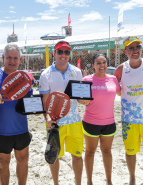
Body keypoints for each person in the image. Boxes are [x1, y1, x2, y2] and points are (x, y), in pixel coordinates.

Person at [0, 44, 33, 185]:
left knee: (23, 161)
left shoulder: (25, 78)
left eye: (15, 58)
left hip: (21, 128)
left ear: (20, 59)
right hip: (0, 130)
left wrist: (37, 110)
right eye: (9, 57)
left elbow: (31, 102)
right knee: (3, 163)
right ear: (3, 58)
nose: (12, 61)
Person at [39, 41, 89, 185]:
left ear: (69, 55)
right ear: (54, 54)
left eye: (66, 52)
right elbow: (45, 101)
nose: (63, 55)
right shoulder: (46, 74)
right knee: (54, 156)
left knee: (77, 156)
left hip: (74, 121)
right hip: (55, 123)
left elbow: (79, 97)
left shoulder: (77, 72)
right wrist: (47, 118)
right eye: (60, 52)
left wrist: (85, 102)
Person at [114, 36, 143, 185]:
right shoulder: (121, 69)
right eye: (131, 48)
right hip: (129, 119)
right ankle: (132, 178)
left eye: (138, 47)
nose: (135, 51)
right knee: (130, 152)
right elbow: (115, 89)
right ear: (125, 51)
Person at [82, 54, 121, 185]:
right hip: (90, 122)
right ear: (93, 65)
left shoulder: (113, 79)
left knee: (107, 151)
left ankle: (109, 181)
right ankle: (89, 181)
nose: (101, 65)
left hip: (109, 123)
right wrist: (82, 100)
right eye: (98, 63)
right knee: (90, 152)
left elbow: (123, 93)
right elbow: (79, 98)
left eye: (104, 62)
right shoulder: (86, 79)